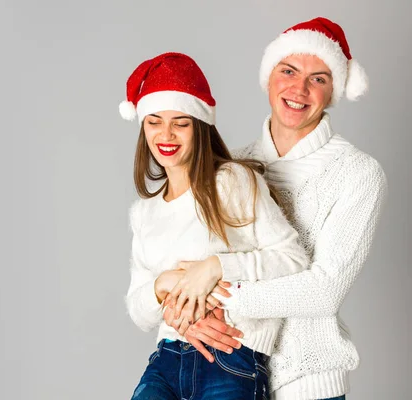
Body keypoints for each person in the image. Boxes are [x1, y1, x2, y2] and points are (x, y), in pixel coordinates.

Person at [164, 17, 388, 400]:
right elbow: (185, 266)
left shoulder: (358, 173)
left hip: (306, 384)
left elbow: (323, 291)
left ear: (333, 90)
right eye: (288, 70)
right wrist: (178, 311)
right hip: (222, 373)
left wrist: (216, 284)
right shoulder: (230, 165)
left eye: (318, 78)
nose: (299, 88)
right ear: (269, 78)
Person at [120, 52, 310, 399]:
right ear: (142, 127)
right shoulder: (144, 213)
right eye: (154, 122)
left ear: (200, 126)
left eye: (181, 122)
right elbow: (139, 308)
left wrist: (215, 268)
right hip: (166, 361)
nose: (167, 134)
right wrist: (165, 285)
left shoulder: (233, 181)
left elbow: (293, 259)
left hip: (230, 357)